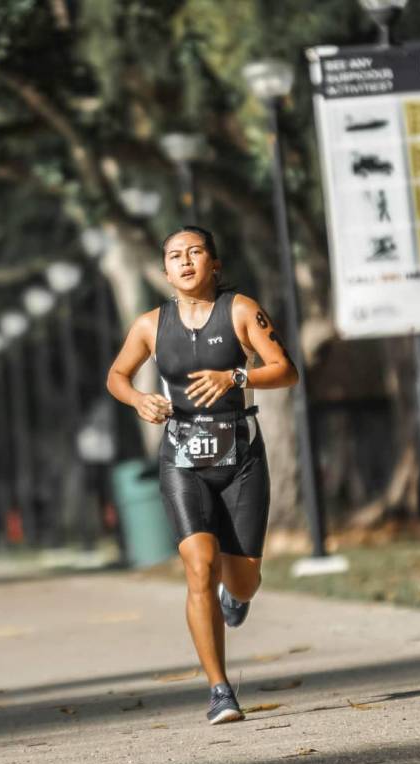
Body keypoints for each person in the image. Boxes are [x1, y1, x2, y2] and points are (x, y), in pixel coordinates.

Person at [106, 226, 298, 725]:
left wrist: (236, 376)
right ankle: (219, 689)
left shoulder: (240, 310)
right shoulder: (151, 324)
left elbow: (285, 370)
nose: (186, 261)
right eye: (175, 255)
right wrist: (140, 399)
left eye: (195, 253)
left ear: (214, 263)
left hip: (242, 459)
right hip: (181, 459)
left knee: (244, 580)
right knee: (199, 566)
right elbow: (116, 376)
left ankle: (236, 595)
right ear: (165, 270)